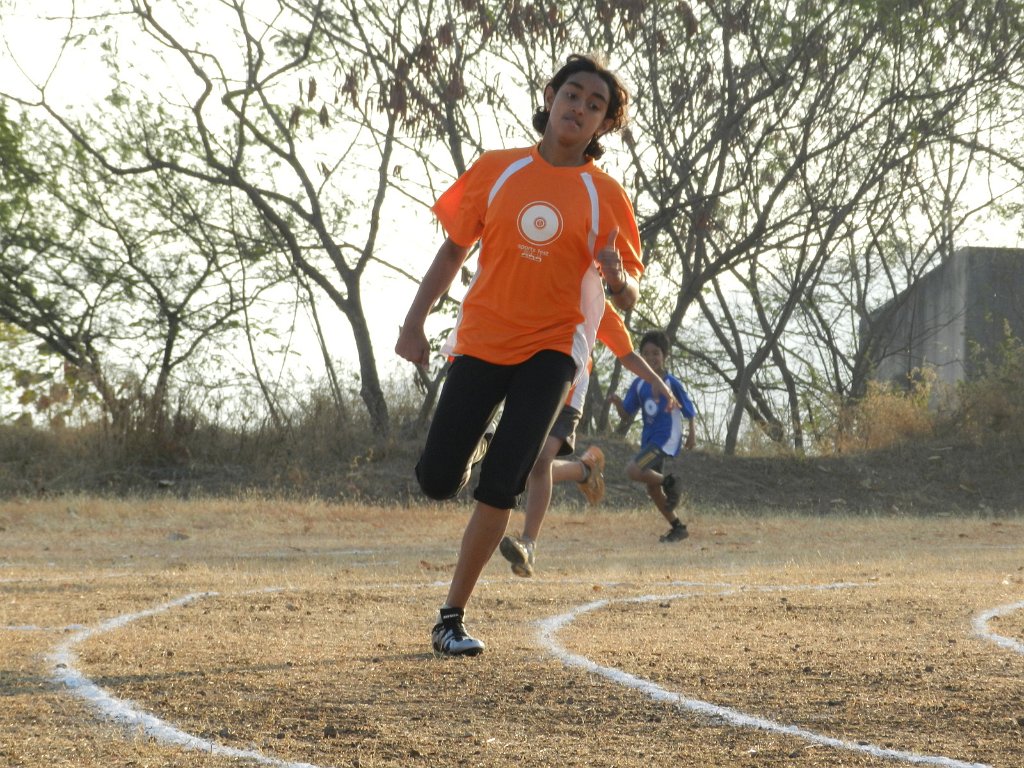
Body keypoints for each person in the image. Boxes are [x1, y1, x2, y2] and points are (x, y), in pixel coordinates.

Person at [395, 54, 642, 657]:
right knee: (436, 480)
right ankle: (476, 445)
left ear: (604, 125)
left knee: (502, 483)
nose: (580, 109)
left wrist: (616, 278)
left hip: (553, 350)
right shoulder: (496, 169)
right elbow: (452, 253)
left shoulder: (606, 195)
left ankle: (451, 617)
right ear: (551, 96)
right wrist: (414, 323)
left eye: (595, 106)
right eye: (573, 94)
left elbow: (629, 294)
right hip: (482, 340)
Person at [499, 302, 680, 577]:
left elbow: (627, 353)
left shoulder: (596, 302)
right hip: (531, 383)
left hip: (570, 390)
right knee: (526, 464)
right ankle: (583, 469)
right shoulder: (539, 286)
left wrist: (657, 381)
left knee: (541, 461)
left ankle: (528, 545)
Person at [608, 329, 697, 543]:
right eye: (645, 354)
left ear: (665, 355)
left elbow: (688, 409)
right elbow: (626, 415)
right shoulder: (639, 384)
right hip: (649, 440)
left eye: (655, 353)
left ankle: (671, 481)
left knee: (633, 469)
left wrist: (692, 433)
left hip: (665, 439)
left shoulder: (671, 383)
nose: (650, 358)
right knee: (653, 488)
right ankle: (678, 527)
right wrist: (618, 403)